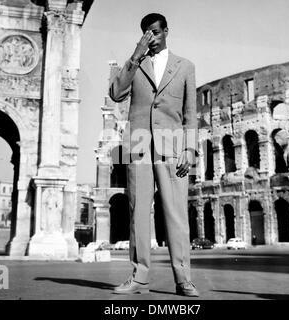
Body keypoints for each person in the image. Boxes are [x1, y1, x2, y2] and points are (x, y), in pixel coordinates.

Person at [109, 13, 199, 297]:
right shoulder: (137, 64)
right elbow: (115, 93)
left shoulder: (185, 67)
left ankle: (184, 279)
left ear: (166, 31)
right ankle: (139, 278)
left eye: (156, 32)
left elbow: (190, 114)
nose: (153, 37)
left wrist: (190, 149)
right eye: (147, 33)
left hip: (172, 146)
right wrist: (136, 55)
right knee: (138, 214)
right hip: (138, 146)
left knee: (176, 214)